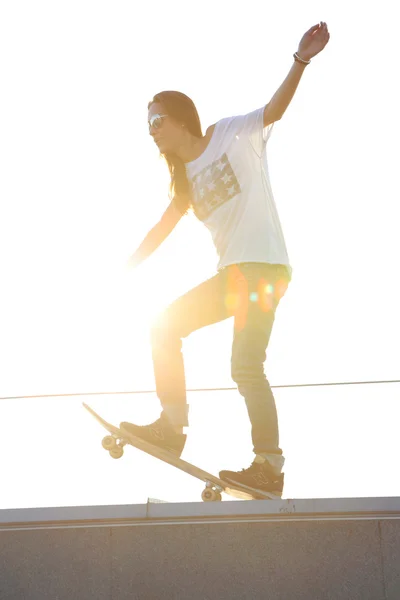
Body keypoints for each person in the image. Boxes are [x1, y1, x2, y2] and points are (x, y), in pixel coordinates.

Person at [121, 22, 330, 498]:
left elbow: (274, 109)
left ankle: (269, 467)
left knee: (245, 366)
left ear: (179, 119)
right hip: (232, 277)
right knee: (164, 326)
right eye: (147, 126)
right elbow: (160, 228)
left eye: (157, 121)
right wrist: (126, 267)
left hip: (265, 268)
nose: (151, 131)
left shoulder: (230, 134)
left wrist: (300, 60)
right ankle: (172, 428)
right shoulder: (185, 183)